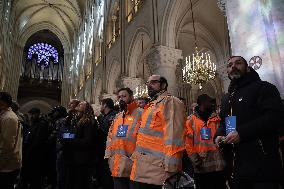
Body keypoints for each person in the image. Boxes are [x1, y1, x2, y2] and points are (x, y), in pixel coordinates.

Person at [214, 56, 284, 189]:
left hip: (263, 169)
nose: (233, 66)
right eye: (229, 65)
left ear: (247, 68)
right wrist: (218, 135)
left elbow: (274, 117)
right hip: (236, 170)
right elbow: (225, 123)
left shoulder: (264, 87)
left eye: (238, 63)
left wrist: (241, 133)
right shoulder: (226, 98)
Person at [130, 75, 186, 189]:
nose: (149, 85)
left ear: (164, 85)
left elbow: (174, 136)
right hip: (142, 167)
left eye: (154, 82)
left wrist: (172, 166)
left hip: (158, 169)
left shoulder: (170, 102)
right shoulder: (151, 106)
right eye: (148, 83)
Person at [185, 94, 226, 189]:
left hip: (218, 165)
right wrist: (195, 160)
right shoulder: (190, 120)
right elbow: (188, 143)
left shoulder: (217, 118)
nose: (212, 104)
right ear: (202, 104)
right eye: (209, 102)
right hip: (201, 166)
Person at [105, 87, 142, 189]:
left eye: (124, 96)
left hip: (134, 165)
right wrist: (109, 156)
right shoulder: (118, 117)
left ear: (131, 97)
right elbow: (110, 137)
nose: (121, 99)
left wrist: (134, 158)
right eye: (119, 97)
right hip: (116, 164)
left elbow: (144, 139)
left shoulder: (141, 114)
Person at [63, 101, 98, 189]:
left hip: (82, 158)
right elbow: (74, 134)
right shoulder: (77, 120)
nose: (78, 104)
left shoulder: (88, 121)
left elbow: (87, 141)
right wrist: (66, 136)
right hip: (75, 157)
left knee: (80, 183)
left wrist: (71, 140)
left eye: (81, 104)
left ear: (86, 108)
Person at [0, 92, 22, 189]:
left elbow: (7, 144)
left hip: (6, 166)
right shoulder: (5, 116)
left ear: (3, 103)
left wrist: (1, 163)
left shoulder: (9, 118)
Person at [96, 98, 117, 189]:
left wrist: (99, 121)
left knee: (108, 175)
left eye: (101, 104)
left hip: (109, 150)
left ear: (105, 105)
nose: (100, 107)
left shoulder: (114, 116)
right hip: (102, 149)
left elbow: (108, 131)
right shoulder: (104, 116)